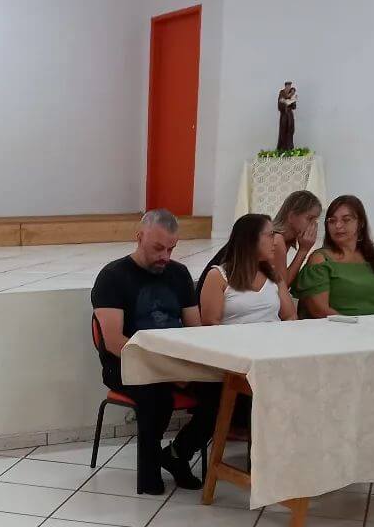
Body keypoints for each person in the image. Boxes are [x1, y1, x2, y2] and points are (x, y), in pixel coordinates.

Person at [91, 210, 202, 494]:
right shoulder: (113, 276)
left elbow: (196, 330)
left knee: (223, 391)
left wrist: (187, 366)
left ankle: (177, 454)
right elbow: (114, 342)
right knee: (157, 395)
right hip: (125, 363)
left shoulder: (179, 274)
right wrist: (166, 370)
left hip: (172, 362)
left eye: (171, 249)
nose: (165, 256)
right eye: (158, 248)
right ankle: (149, 470)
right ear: (139, 237)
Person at [173, 213, 295, 459]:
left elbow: (290, 316)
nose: (275, 240)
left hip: (270, 357)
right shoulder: (219, 276)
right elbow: (211, 324)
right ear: (251, 239)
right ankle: (179, 453)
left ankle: (277, 460)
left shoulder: (274, 276)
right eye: (270, 235)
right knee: (219, 404)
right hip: (234, 361)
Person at [293, 194, 374, 317]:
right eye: (332, 221)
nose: (338, 226)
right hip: (339, 327)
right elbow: (319, 310)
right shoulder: (321, 259)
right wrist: (356, 325)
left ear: (361, 223)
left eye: (346, 220)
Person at [270, 190, 321, 287]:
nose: (313, 225)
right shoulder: (276, 239)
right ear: (291, 216)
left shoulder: (286, 240)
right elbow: (281, 286)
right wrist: (303, 250)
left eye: (315, 220)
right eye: (310, 218)